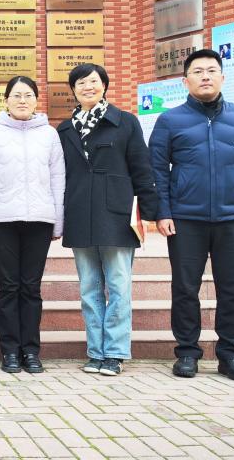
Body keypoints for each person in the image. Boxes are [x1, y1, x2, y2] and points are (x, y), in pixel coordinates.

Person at [149, 48, 234, 382]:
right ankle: (187, 353)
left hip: (233, 218)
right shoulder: (170, 120)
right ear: (185, 80)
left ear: (222, 77)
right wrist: (162, 212)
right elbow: (156, 170)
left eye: (211, 70)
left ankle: (230, 355)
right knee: (185, 288)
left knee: (233, 289)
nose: (205, 76)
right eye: (198, 71)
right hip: (185, 219)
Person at [57, 64, 158, 377]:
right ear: (73, 90)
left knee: (118, 285)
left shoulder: (125, 122)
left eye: (93, 81)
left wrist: (149, 212)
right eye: (81, 83)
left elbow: (142, 168)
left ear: (104, 85)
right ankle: (96, 352)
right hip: (79, 214)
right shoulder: (65, 129)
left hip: (117, 213)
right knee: (89, 288)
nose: (88, 87)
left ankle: (114, 353)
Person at [0, 75, 64, 375]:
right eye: (16, 95)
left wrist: (58, 222)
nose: (22, 101)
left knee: (31, 287)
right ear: (6, 100)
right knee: (8, 286)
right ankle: (10, 350)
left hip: (40, 219)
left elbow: (58, 179)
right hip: (2, 220)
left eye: (28, 95)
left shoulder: (49, 135)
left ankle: (31, 351)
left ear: (36, 100)